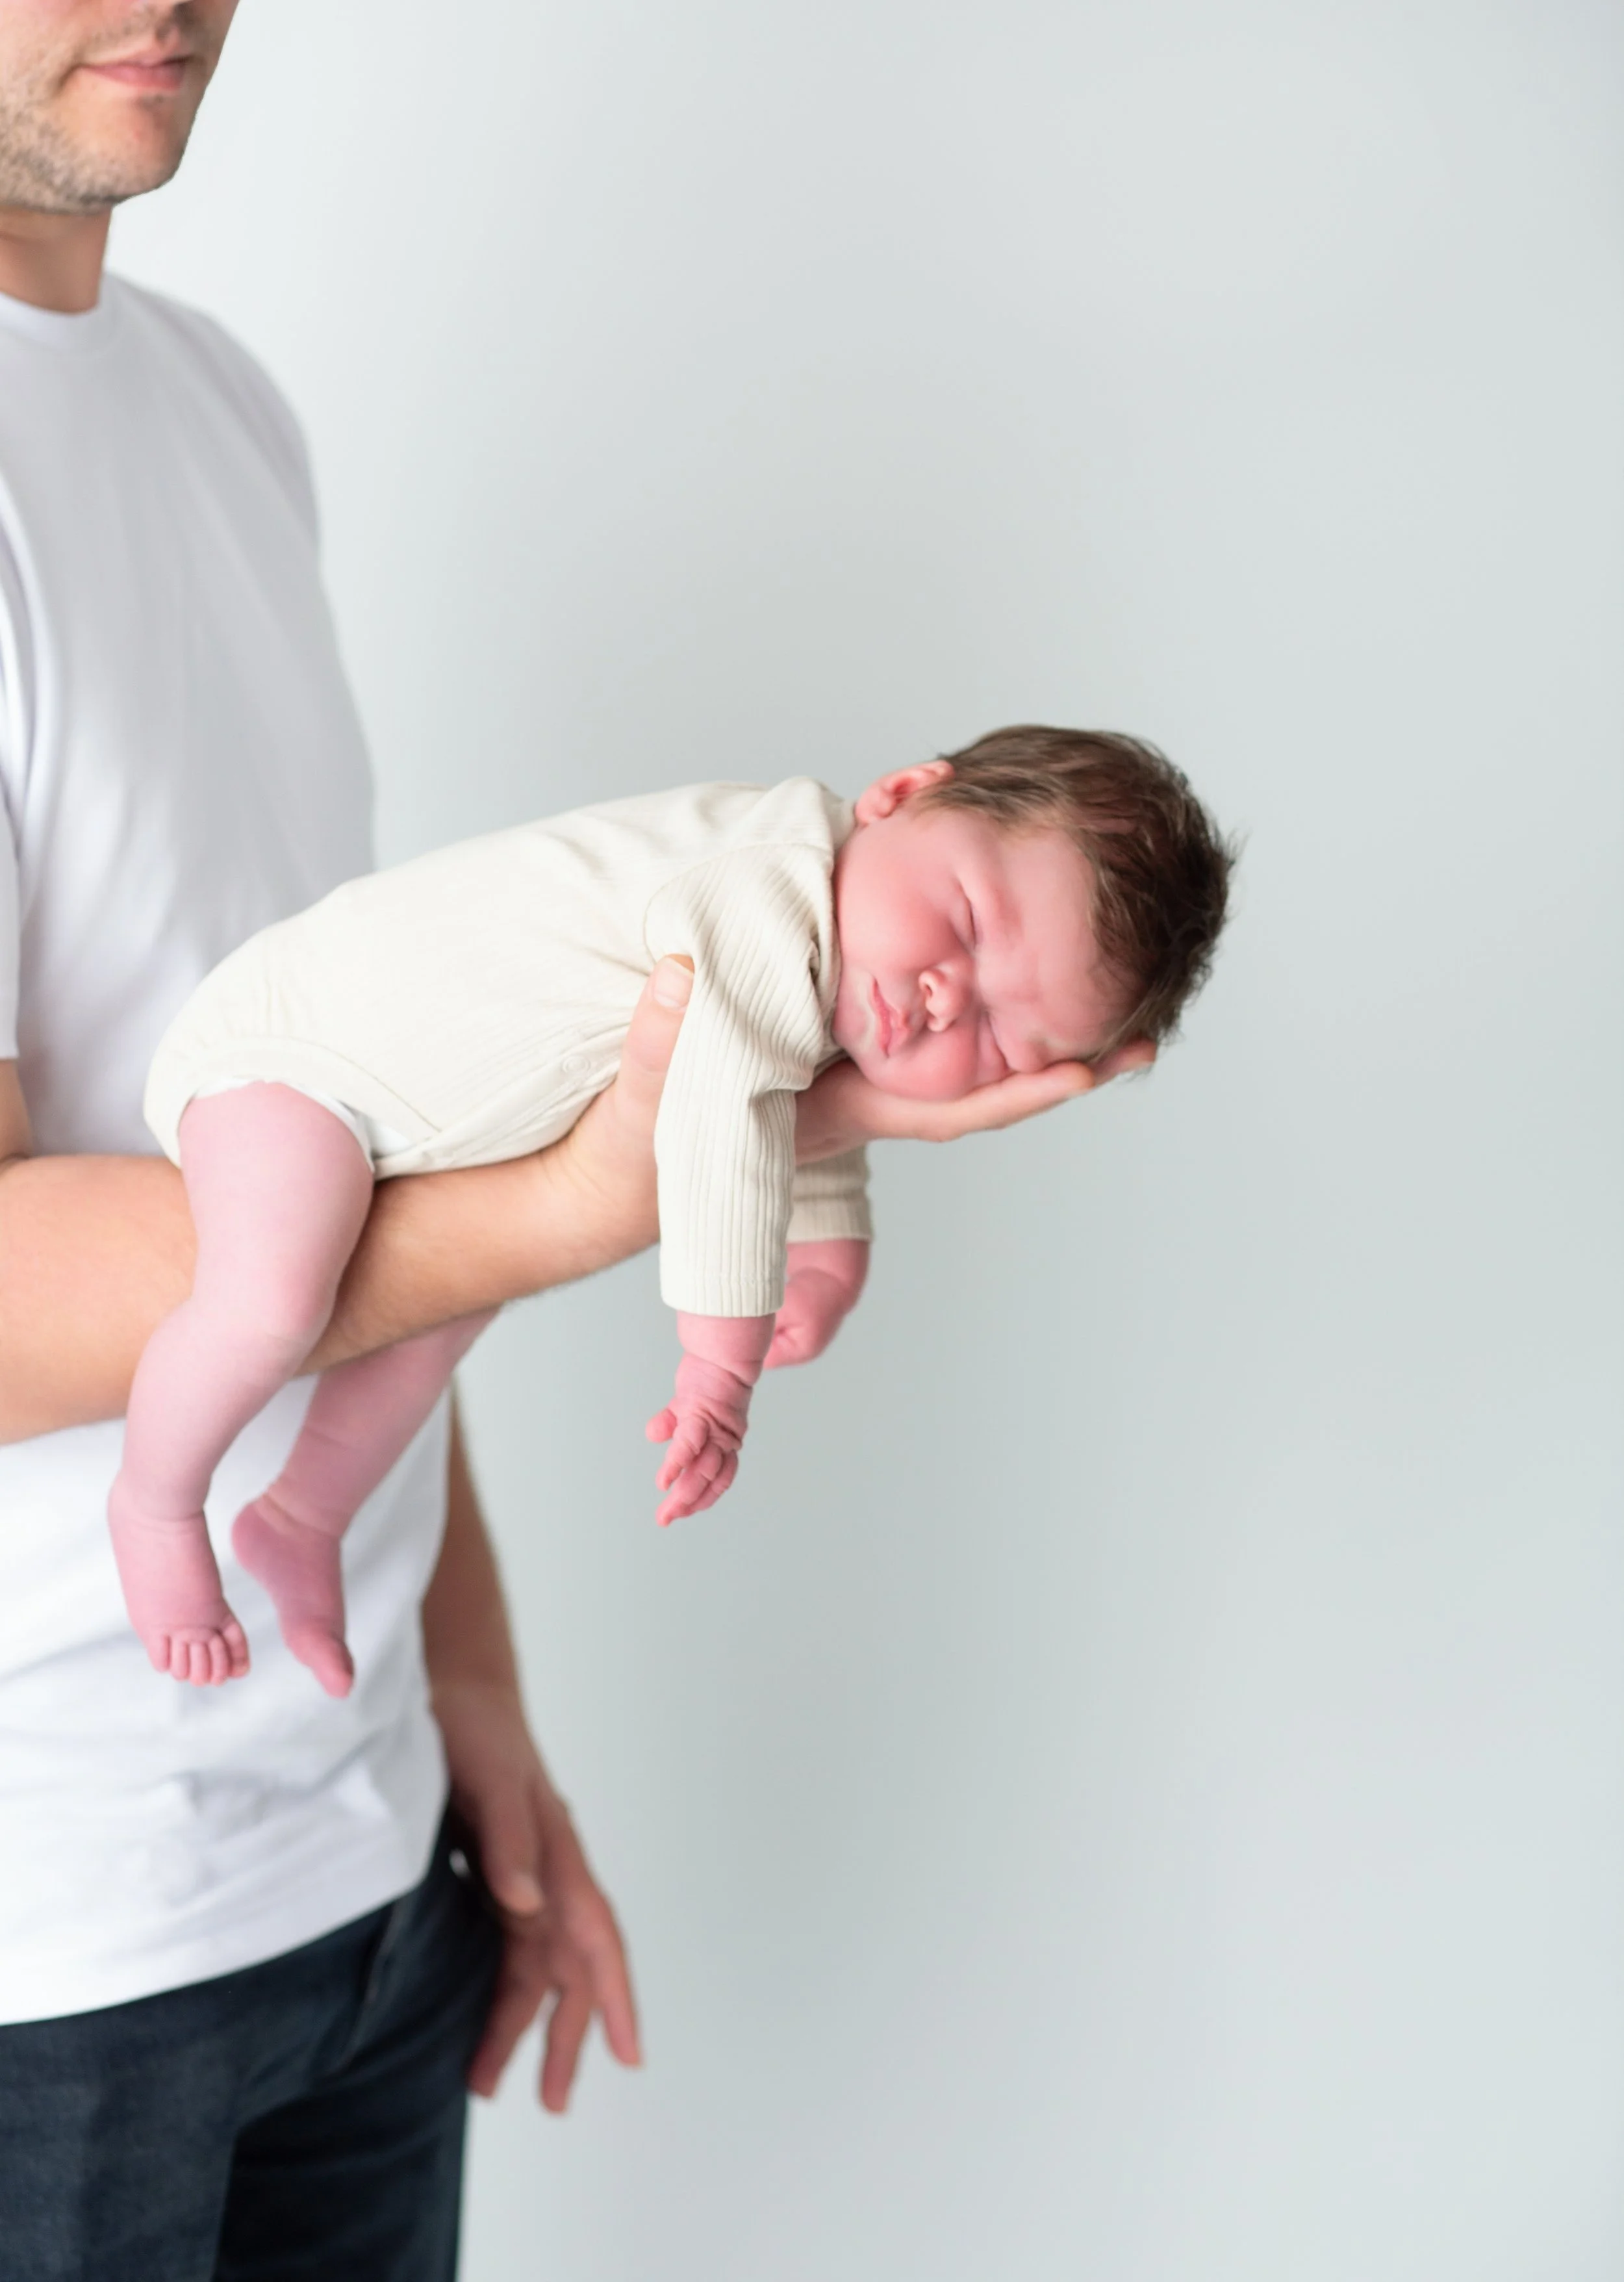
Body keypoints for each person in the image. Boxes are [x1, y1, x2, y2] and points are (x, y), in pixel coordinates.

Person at [0, 6, 1152, 2276]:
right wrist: (601, 1201)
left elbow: (385, 1087)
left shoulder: (221, 408)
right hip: (50, 1964)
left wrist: (469, 1685)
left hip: (360, 1868)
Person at [114, 734, 1229, 1693]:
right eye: (968, 919)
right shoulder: (763, 887)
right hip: (289, 1060)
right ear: (899, 794)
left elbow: (799, 1071)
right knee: (268, 1301)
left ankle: (302, 1518)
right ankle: (157, 1504)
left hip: (404, 1125)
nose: (941, 999)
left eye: (999, 1039)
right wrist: (718, 1367)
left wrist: (830, 1247)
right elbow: (729, 1113)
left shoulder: (835, 945)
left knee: (452, 1307)